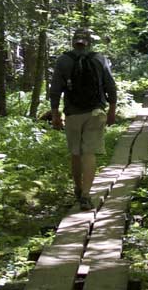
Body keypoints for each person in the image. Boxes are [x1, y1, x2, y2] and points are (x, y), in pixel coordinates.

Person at [47, 27, 118, 210]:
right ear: (89, 42)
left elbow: (55, 89)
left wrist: (55, 113)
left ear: (73, 42)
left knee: (76, 152)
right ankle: (86, 195)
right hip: (96, 112)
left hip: (72, 114)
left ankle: (78, 188)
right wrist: (112, 109)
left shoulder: (63, 60)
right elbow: (110, 85)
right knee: (89, 153)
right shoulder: (99, 59)